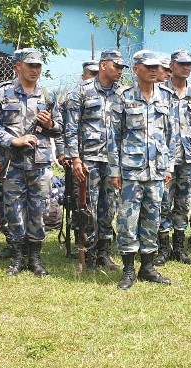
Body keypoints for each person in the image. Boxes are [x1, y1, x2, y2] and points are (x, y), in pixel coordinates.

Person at [0, 49, 62, 277]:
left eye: (38, 66)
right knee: (14, 210)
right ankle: (18, 256)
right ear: (18, 66)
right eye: (30, 65)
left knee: (39, 209)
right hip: (12, 162)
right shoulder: (2, 93)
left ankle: (35, 258)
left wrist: (50, 126)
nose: (35, 70)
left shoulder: (48, 95)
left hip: (40, 163)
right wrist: (13, 140)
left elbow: (60, 129)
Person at [108, 50, 174, 290]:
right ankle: (128, 269)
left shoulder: (166, 97)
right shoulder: (123, 97)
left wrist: (169, 166)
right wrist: (114, 171)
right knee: (127, 219)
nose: (155, 70)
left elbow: (171, 135)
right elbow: (113, 136)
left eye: (157, 66)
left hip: (156, 170)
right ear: (136, 69)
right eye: (149, 67)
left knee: (152, 218)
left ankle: (147, 267)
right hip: (131, 171)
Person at [64, 50, 127, 271]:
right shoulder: (80, 93)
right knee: (87, 208)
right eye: (116, 66)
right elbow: (70, 129)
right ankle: (88, 254)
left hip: (113, 162)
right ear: (103, 65)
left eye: (122, 68)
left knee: (109, 208)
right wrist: (75, 159)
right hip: (88, 160)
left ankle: (104, 254)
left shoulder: (122, 94)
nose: (120, 71)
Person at [156, 49, 191, 266]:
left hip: (189, 157)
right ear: (172, 65)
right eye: (182, 64)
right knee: (163, 202)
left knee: (184, 202)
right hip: (165, 157)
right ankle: (163, 248)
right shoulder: (159, 91)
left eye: (189, 64)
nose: (186, 68)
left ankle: (179, 247)